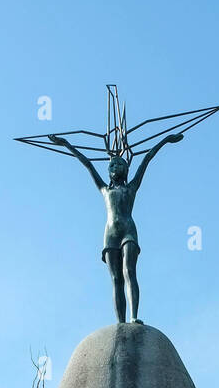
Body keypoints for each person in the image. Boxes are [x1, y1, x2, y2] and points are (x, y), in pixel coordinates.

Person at [47, 130, 184, 324]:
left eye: (120, 163)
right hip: (110, 235)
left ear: (127, 170)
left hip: (128, 231)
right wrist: (66, 144)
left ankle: (134, 316)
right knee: (116, 279)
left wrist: (167, 140)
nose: (116, 165)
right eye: (112, 164)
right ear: (109, 170)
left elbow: (147, 158)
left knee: (129, 272)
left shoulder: (131, 188)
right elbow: (87, 163)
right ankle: (120, 322)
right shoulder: (105, 189)